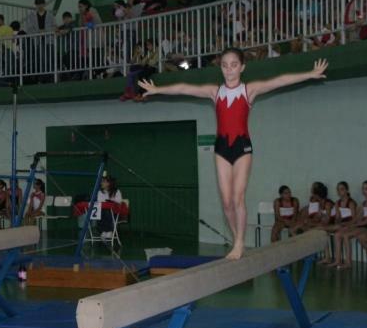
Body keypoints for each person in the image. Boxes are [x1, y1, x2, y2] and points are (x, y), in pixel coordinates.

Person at [138, 49, 328, 259]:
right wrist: (158, 90)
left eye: (234, 65)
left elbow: (279, 80)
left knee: (238, 198)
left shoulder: (249, 90)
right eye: (225, 65)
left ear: (242, 67)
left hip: (242, 147)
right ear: (221, 68)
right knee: (226, 201)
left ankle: (238, 243)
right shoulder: (215, 91)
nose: (229, 69)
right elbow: (185, 88)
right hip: (222, 148)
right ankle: (238, 238)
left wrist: (309, 74)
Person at [330, 180, 367, 269]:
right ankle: (338, 260)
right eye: (363, 188)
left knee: (346, 235)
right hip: (361, 226)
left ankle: (348, 262)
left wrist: (354, 225)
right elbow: (357, 218)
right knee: (337, 234)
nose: (364, 191)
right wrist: (350, 224)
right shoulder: (363, 203)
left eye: (366, 189)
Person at [318, 182, 356, 264]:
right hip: (341, 225)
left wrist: (345, 224)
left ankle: (348, 262)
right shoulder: (337, 203)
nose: (339, 191)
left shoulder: (351, 202)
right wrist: (337, 222)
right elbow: (338, 217)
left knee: (323, 228)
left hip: (350, 225)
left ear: (347, 190)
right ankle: (336, 260)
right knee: (331, 233)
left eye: (342, 189)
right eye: (338, 190)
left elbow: (354, 219)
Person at [96, 176, 122, 241]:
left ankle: (109, 230)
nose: (101, 183)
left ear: (108, 183)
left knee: (107, 211)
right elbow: (99, 201)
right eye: (101, 181)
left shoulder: (117, 191)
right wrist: (109, 200)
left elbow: (119, 200)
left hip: (114, 213)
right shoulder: (100, 192)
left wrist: (110, 200)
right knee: (100, 212)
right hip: (103, 212)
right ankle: (103, 231)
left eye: (103, 182)